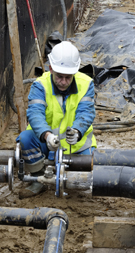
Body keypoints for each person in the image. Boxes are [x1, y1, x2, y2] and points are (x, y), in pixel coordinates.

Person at [18, 41, 96, 198]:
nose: (64, 82)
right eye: (60, 76)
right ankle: (38, 178)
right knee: (25, 139)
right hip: (46, 143)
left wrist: (77, 131)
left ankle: (71, 176)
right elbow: (35, 114)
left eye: (68, 77)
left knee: (89, 172)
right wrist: (47, 135)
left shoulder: (86, 84)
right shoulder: (40, 85)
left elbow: (85, 113)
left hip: (76, 146)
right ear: (50, 68)